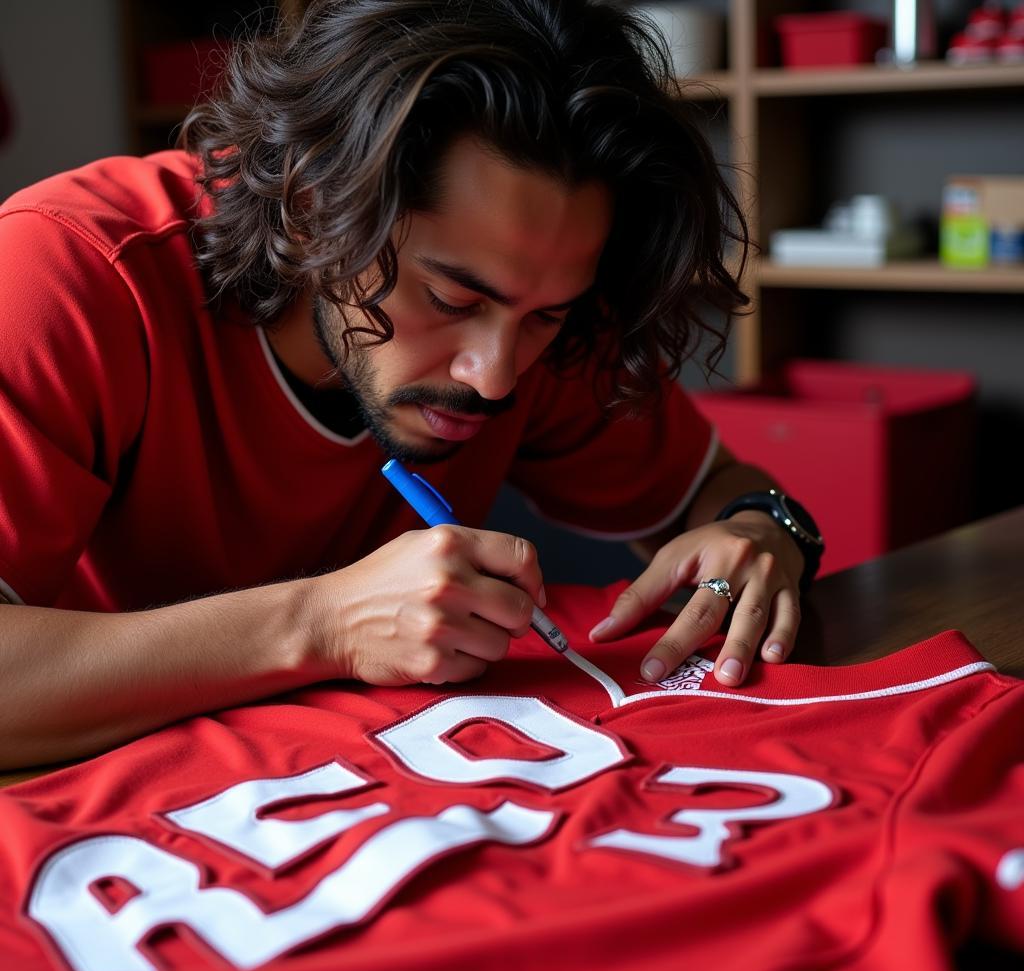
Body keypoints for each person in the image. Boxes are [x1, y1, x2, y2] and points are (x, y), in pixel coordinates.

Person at [0, 0, 821, 770]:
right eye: (451, 299)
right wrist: (323, 624)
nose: (495, 376)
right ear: (314, 204)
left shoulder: (526, 296)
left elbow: (716, 493)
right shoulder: (65, 277)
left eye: (547, 318)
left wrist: (762, 531)